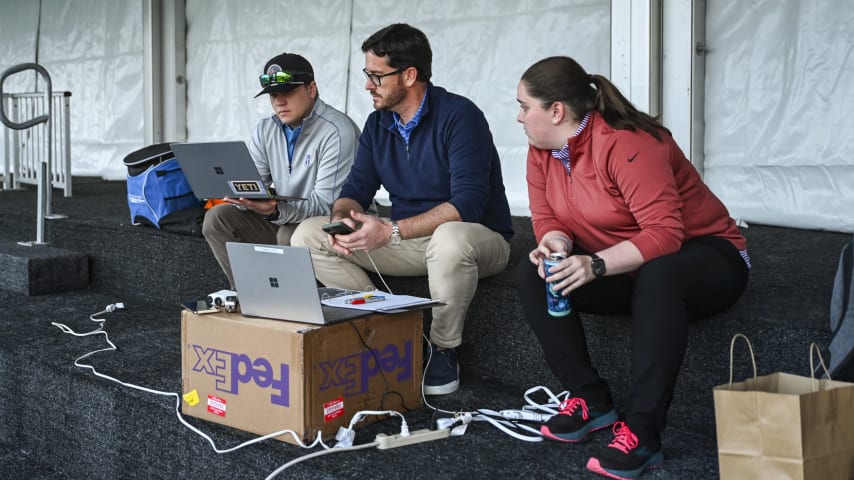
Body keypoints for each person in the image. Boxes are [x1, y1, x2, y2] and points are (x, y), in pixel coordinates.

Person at [514, 56, 750, 479]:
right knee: (534, 275)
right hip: (626, 265)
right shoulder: (542, 150)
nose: (519, 117)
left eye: (523, 106)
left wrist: (597, 264)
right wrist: (556, 246)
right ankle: (591, 401)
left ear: (555, 111)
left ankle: (642, 433)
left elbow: (665, 235)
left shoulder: (628, 142)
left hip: (708, 257)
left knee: (661, 277)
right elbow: (547, 218)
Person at [291, 23, 514, 396]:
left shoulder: (461, 116)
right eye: (367, 74)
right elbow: (355, 190)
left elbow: (469, 204)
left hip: (478, 240)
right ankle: (390, 330)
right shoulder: (379, 124)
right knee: (308, 234)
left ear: (409, 75)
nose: (367, 85)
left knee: (450, 237)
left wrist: (390, 230)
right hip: (412, 241)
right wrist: (343, 218)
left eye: (376, 76)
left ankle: (443, 348)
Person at [202, 52, 360, 288]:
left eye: (287, 92)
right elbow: (255, 183)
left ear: (312, 89)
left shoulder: (337, 131)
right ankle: (250, 294)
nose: (279, 101)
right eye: (273, 95)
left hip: (330, 227)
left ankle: (294, 305)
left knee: (289, 234)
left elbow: (328, 206)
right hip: (286, 219)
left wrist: (274, 212)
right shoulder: (266, 129)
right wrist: (239, 195)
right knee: (217, 218)